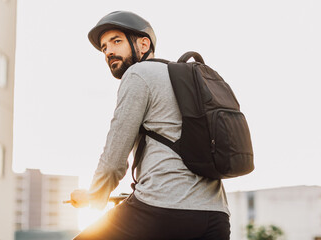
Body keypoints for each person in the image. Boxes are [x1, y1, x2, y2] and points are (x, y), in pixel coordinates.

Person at [71, 11, 230, 240]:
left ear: (143, 44)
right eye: (104, 47)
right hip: (215, 216)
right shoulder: (184, 80)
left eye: (116, 41)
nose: (109, 51)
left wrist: (94, 197)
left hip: (163, 209)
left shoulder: (139, 74)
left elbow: (114, 158)